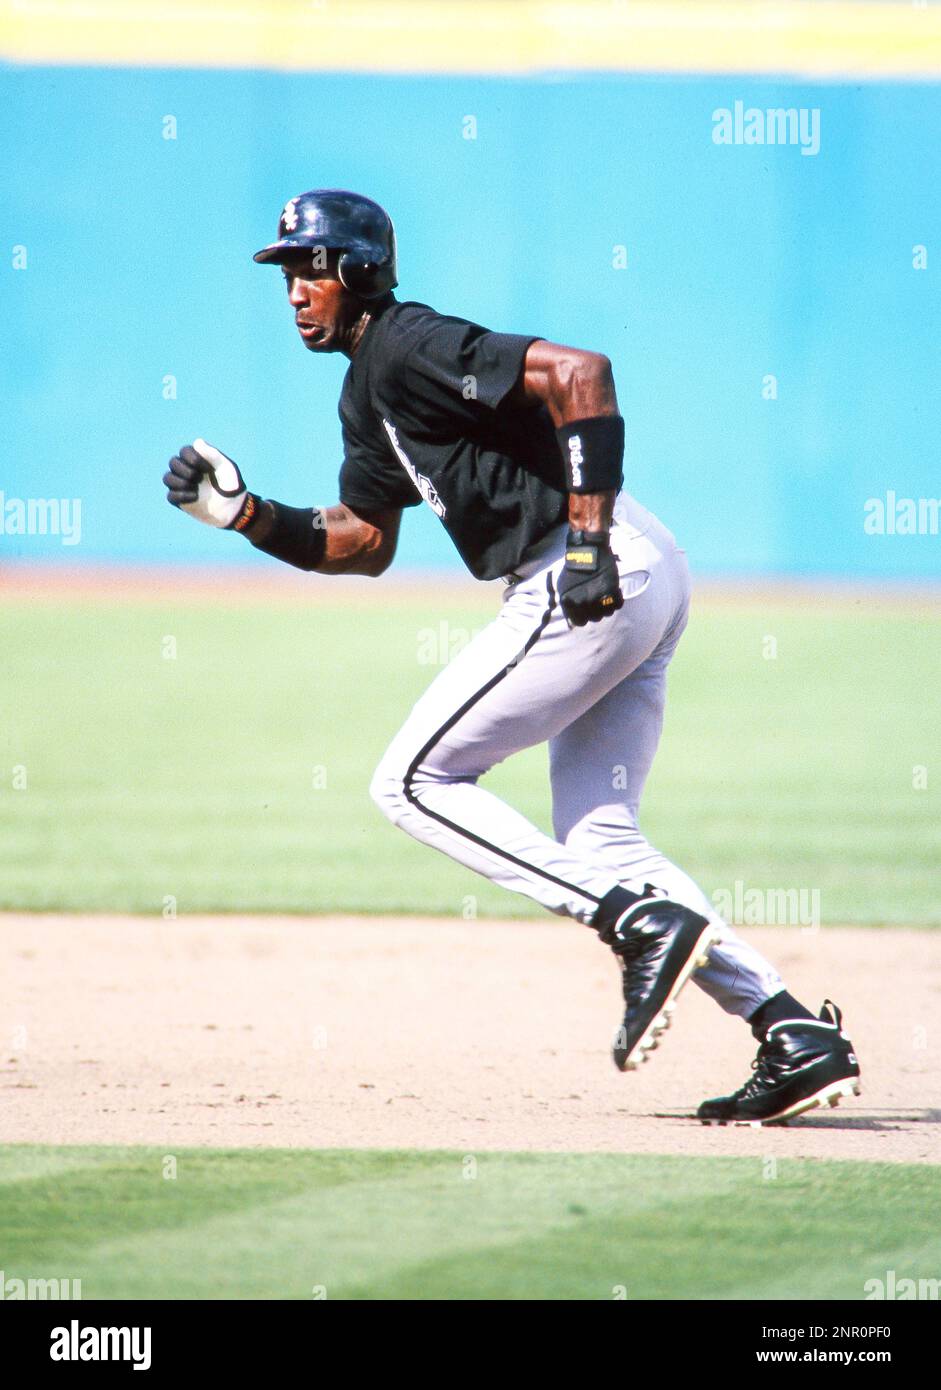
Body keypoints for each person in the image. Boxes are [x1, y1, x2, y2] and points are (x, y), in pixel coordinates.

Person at [163, 189, 861, 1125]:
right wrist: (248, 516)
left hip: (588, 568)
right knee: (601, 840)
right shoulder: (366, 389)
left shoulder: (408, 342)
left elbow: (581, 372)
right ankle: (787, 1029)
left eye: (311, 266)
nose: (294, 288)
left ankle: (636, 922)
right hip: (637, 568)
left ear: (360, 269)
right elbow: (364, 541)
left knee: (411, 783)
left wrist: (583, 543)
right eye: (288, 271)